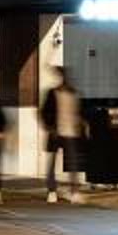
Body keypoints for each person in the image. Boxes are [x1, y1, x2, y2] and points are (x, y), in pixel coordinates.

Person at [43, 67, 86, 202]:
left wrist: (81, 125)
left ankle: (74, 192)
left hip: (70, 132)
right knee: (52, 164)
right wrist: (50, 127)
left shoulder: (74, 93)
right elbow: (44, 112)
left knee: (73, 164)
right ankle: (51, 191)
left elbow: (79, 113)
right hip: (56, 132)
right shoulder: (52, 93)